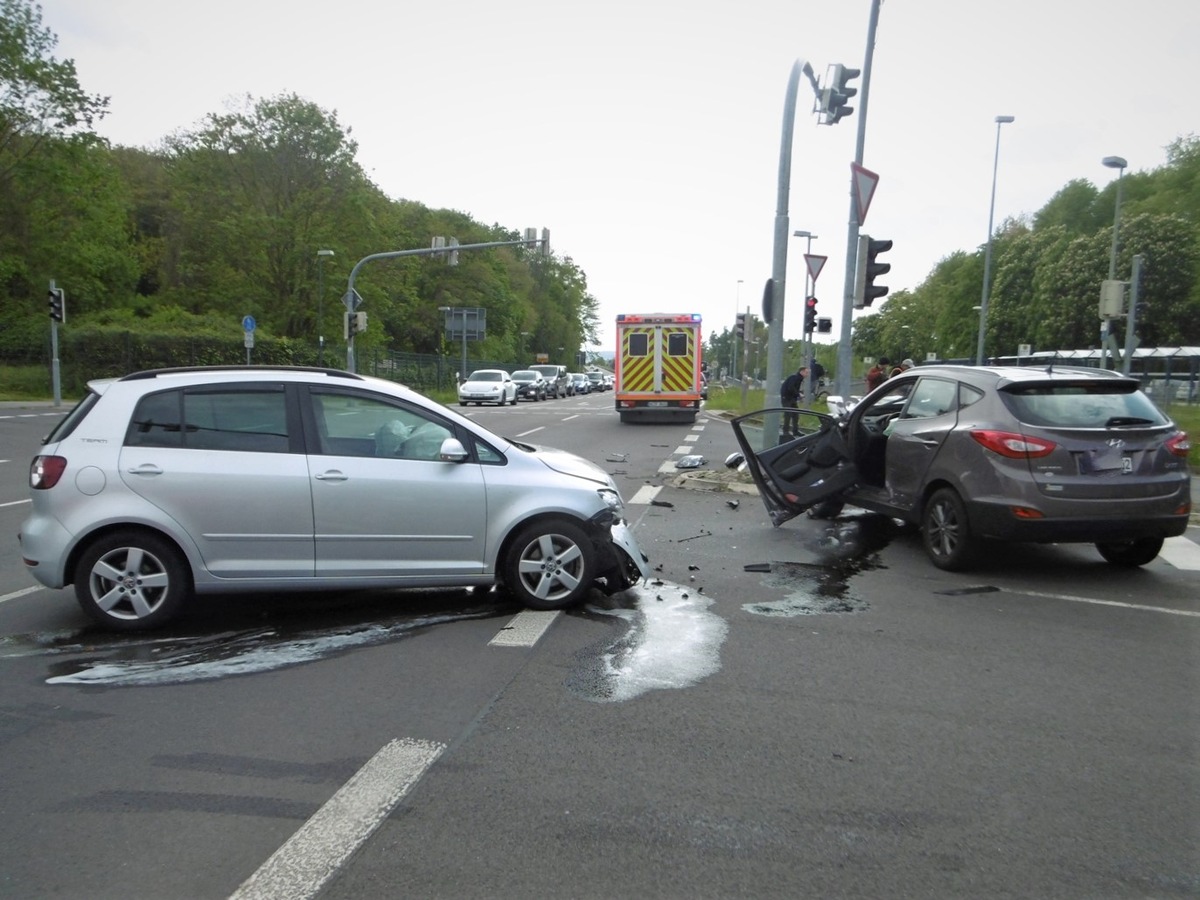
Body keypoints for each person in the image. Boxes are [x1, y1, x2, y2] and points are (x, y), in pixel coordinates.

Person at [780, 365, 807, 435]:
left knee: (795, 414)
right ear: (801, 372)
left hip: (791, 398)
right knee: (788, 414)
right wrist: (798, 394)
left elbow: (794, 389)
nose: (807, 374)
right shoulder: (794, 377)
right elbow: (790, 387)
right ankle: (785, 431)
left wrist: (798, 396)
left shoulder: (799, 378)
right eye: (806, 372)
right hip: (786, 398)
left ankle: (795, 431)